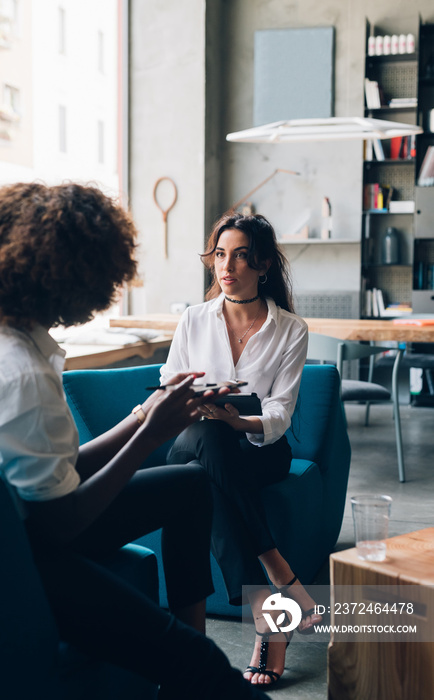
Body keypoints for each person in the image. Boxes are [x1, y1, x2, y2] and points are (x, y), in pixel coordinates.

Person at [0, 182, 270, 700]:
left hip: (21, 519)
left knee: (190, 484)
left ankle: (188, 636)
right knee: (199, 663)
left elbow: (60, 471)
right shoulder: (19, 373)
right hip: (19, 551)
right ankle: (186, 655)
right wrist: (150, 433)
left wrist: (143, 416)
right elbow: (59, 523)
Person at [160, 212, 323, 688]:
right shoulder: (193, 318)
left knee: (213, 456)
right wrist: (202, 398)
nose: (226, 266)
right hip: (196, 438)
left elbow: (280, 412)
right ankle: (274, 589)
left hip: (258, 446)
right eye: (219, 255)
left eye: (240, 256)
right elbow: (169, 381)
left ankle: (268, 601)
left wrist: (238, 419)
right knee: (208, 441)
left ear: (264, 263)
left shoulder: (291, 328)